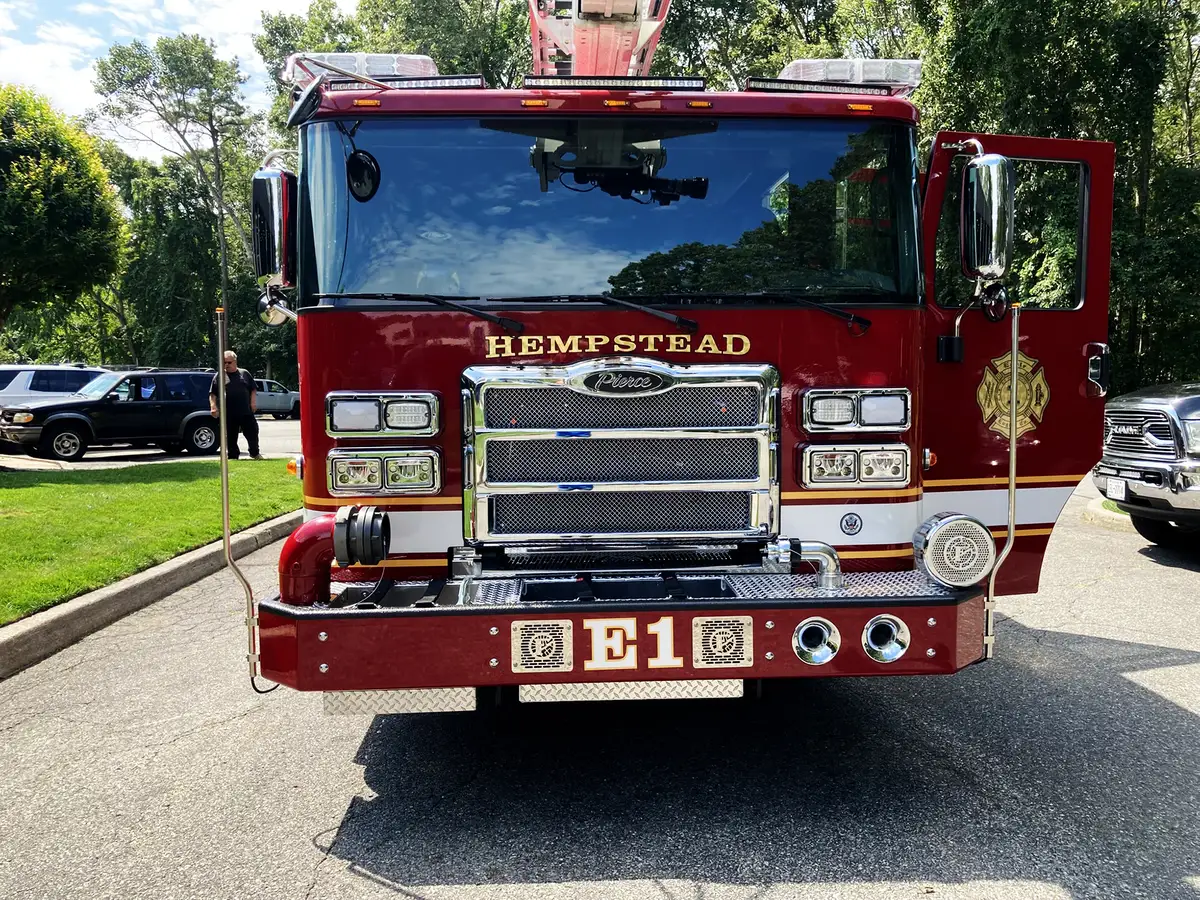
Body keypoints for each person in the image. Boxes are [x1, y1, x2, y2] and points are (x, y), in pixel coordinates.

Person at [209, 350, 262, 460]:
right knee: (231, 436)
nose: (226, 365)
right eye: (224, 362)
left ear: (235, 362)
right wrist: (213, 407)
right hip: (228, 412)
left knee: (252, 432)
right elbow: (213, 394)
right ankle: (233, 456)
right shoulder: (220, 376)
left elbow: (253, 389)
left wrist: (253, 403)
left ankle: (254, 453)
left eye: (229, 362)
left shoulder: (244, 373)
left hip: (245, 410)